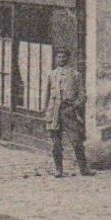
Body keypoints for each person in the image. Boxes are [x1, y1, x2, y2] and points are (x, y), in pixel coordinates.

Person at [44, 48, 89, 177]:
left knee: (76, 141)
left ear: (68, 59)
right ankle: (59, 170)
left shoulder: (75, 75)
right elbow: (46, 95)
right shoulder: (51, 75)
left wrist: (74, 105)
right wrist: (46, 111)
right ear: (55, 59)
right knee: (55, 143)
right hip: (54, 112)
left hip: (68, 111)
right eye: (59, 57)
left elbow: (82, 96)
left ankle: (84, 169)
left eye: (64, 57)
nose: (61, 59)